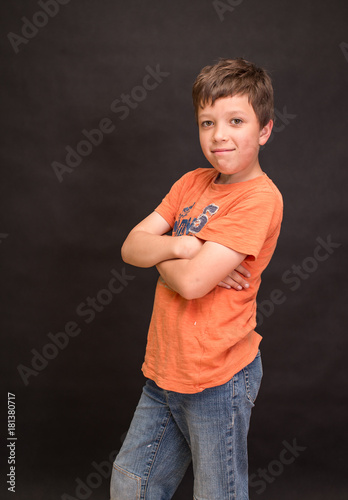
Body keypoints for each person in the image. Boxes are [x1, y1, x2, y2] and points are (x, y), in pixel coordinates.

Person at [110, 58, 283, 500]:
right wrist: (184, 248)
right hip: (165, 367)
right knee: (132, 484)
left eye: (236, 121)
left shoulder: (259, 198)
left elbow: (190, 286)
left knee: (217, 493)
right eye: (207, 122)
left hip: (218, 376)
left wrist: (165, 248)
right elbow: (131, 246)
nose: (219, 134)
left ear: (264, 129)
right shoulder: (191, 182)